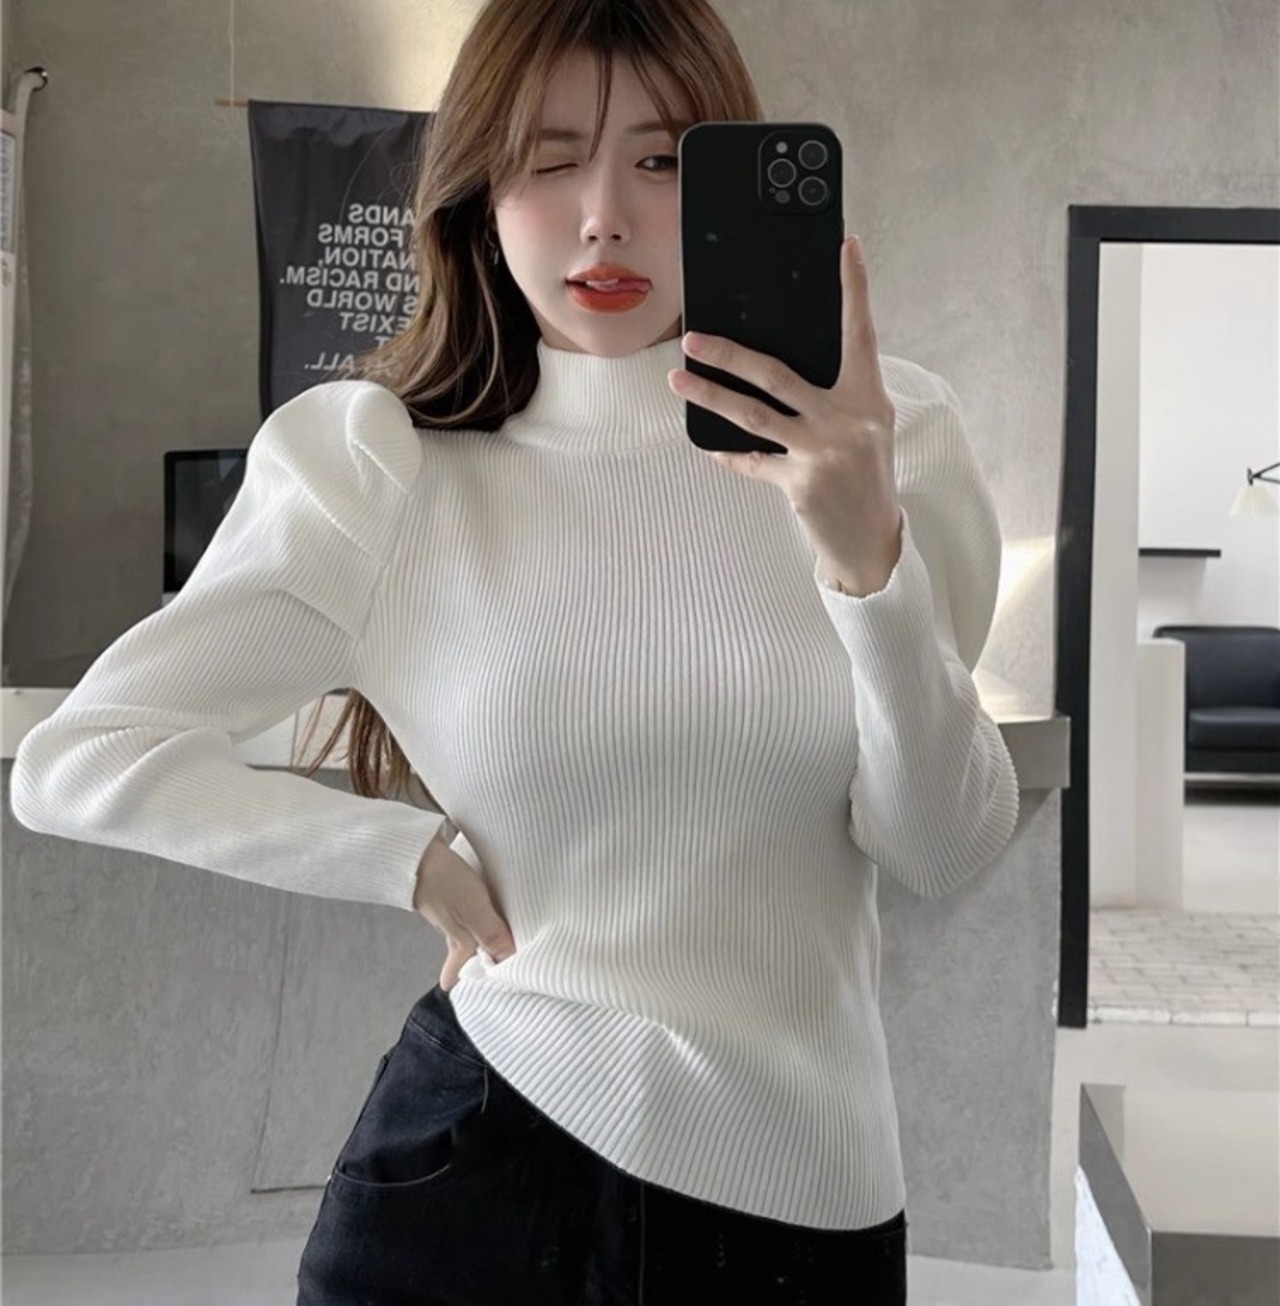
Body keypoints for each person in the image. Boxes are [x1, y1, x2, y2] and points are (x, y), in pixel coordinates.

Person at [9, 0, 1021, 1301]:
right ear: (480, 194)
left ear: (726, 187)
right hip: (475, 1167)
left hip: (795, 1203)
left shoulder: (892, 440)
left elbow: (940, 846)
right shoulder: (380, 468)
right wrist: (404, 859)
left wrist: (867, 559)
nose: (605, 217)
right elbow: (85, 756)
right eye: (550, 159)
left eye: (661, 161)